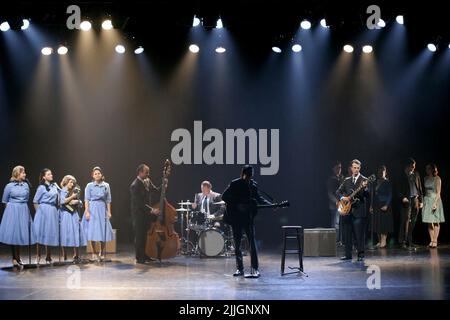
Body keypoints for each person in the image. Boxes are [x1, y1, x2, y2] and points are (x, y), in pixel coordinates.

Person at [222, 165, 273, 278]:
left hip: (248, 219)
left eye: (252, 174)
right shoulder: (235, 183)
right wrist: (238, 204)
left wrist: (271, 205)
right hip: (236, 218)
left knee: (252, 244)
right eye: (249, 173)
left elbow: (258, 198)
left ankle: (255, 268)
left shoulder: (253, 185)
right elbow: (224, 196)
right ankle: (240, 269)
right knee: (238, 244)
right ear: (244, 173)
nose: (250, 176)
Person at [0, 166, 36, 267]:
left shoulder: (26, 185)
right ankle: (15, 258)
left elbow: (27, 198)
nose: (25, 174)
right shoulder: (9, 186)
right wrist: (10, 213)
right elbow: (4, 201)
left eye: (24, 172)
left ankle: (18, 257)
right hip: (12, 210)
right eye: (23, 172)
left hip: (23, 209)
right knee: (13, 233)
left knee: (20, 233)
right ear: (17, 174)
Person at [130, 164, 165, 264]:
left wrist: (163, 185)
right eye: (146, 172)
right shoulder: (135, 185)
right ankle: (139, 257)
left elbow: (156, 191)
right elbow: (139, 203)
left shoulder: (147, 181)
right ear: (140, 172)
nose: (148, 174)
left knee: (145, 236)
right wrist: (152, 210)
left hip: (146, 213)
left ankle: (145, 255)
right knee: (139, 236)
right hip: (138, 214)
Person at [336, 159, 370, 262]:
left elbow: (367, 195)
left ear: (360, 168)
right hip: (347, 211)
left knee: (359, 234)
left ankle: (360, 255)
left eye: (358, 168)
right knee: (347, 234)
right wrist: (343, 198)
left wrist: (365, 189)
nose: (356, 170)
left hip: (359, 211)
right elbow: (338, 192)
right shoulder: (346, 180)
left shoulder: (364, 180)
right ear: (351, 168)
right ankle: (348, 255)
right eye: (354, 168)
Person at [82, 166, 114, 261]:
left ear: (101, 174)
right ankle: (93, 252)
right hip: (92, 208)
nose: (97, 175)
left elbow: (108, 200)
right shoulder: (89, 186)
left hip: (102, 208)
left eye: (99, 173)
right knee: (92, 231)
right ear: (93, 175)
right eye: (95, 173)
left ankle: (101, 251)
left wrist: (109, 212)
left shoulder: (106, 185)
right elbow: (86, 199)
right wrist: (87, 211)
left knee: (102, 230)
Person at [33, 168, 59, 264]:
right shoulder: (41, 188)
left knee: (49, 232)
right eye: (48, 174)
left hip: (52, 210)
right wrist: (39, 212)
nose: (51, 175)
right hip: (43, 210)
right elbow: (35, 201)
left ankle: (48, 257)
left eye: (51, 174)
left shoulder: (54, 186)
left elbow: (61, 195)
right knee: (40, 233)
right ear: (44, 177)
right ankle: (38, 256)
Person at [59, 175, 86, 263]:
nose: (72, 184)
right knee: (65, 234)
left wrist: (78, 201)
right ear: (66, 182)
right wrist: (71, 198)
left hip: (74, 214)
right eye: (71, 182)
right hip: (65, 214)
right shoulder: (62, 191)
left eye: (73, 182)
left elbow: (80, 203)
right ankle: (65, 255)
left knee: (76, 233)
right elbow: (62, 201)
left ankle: (76, 255)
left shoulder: (75, 191)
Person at [398, 158, 423, 250]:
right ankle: (403, 242)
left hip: (415, 200)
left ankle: (410, 241)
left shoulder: (416, 174)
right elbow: (397, 189)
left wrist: (421, 200)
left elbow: (420, 187)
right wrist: (402, 197)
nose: (413, 168)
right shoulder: (401, 175)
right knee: (405, 222)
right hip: (407, 200)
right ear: (407, 166)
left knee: (413, 221)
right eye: (412, 166)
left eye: (414, 166)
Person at [370, 165, 394, 248]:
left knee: (383, 223)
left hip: (384, 204)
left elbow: (390, 194)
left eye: (382, 172)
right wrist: (371, 206)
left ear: (385, 172)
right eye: (379, 172)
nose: (380, 173)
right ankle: (379, 241)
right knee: (377, 223)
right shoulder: (375, 182)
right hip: (376, 204)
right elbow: (372, 195)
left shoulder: (387, 182)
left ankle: (384, 241)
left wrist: (386, 205)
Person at [422, 164, 445, 248]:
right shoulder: (425, 178)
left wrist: (435, 203)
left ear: (432, 169)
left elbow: (438, 192)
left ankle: (435, 240)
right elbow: (425, 191)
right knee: (429, 221)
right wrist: (423, 201)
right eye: (426, 168)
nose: (427, 170)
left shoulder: (437, 178)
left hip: (435, 200)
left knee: (436, 221)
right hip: (427, 200)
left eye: (428, 168)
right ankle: (431, 240)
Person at [326, 161, 344, 243]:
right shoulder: (330, 179)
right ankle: (334, 241)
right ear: (333, 169)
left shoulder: (342, 178)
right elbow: (330, 193)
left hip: (343, 205)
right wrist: (336, 202)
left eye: (340, 167)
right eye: (337, 168)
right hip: (335, 205)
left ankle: (341, 240)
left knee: (341, 223)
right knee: (335, 223)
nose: (339, 169)